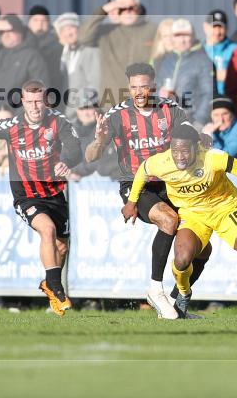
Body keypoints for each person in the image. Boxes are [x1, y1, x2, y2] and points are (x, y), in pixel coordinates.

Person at [125, 124, 237, 320]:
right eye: (175, 150)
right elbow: (142, 172)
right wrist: (131, 202)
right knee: (181, 259)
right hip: (193, 214)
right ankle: (184, 293)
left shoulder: (213, 158)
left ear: (196, 147)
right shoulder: (161, 162)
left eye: (185, 151)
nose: (179, 156)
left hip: (225, 208)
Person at [85, 62, 208, 319]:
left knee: (203, 248)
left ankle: (176, 302)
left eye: (144, 86)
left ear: (153, 85)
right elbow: (90, 157)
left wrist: (202, 137)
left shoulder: (170, 110)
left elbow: (191, 137)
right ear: (128, 88)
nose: (139, 92)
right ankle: (155, 289)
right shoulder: (117, 116)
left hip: (171, 183)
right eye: (134, 87)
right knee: (168, 219)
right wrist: (98, 139)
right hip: (136, 185)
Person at [0, 80, 82, 316]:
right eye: (30, 101)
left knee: (62, 247)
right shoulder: (12, 125)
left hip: (55, 193)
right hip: (26, 196)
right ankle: (55, 286)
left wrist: (67, 161)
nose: (35, 106)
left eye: (39, 101)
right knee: (47, 230)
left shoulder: (58, 122)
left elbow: (76, 147)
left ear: (45, 101)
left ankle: (50, 286)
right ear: (23, 102)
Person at [79, 0, 158, 99]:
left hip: (145, 100)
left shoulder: (154, 30)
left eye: (131, 8)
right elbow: (83, 37)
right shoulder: (107, 32)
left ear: (139, 8)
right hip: (112, 100)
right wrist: (103, 10)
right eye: (123, 8)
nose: (128, 11)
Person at [0, 14, 49, 110]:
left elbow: (39, 92)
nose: (6, 34)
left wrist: (13, 113)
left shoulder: (32, 56)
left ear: (21, 34)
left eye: (11, 31)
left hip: (15, 116)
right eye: (2, 32)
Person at [154, 19, 213, 126]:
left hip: (191, 120)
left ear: (193, 36)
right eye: (178, 35)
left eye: (186, 35)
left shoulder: (203, 60)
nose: (182, 40)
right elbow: (155, 87)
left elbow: (209, 93)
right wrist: (160, 93)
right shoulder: (166, 59)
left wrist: (199, 122)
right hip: (167, 120)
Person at [54, 12, 100, 117]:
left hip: (84, 113)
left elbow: (95, 84)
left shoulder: (89, 50)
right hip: (68, 112)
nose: (67, 33)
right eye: (63, 30)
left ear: (79, 29)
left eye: (70, 28)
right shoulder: (65, 53)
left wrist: (82, 106)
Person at [201, 95, 237, 161]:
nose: (221, 119)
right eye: (216, 115)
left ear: (233, 114)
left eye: (225, 114)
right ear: (211, 117)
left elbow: (221, 159)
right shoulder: (213, 128)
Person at [202, 10, 237, 95]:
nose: (217, 32)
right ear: (205, 27)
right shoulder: (199, 51)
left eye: (221, 27)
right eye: (214, 27)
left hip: (227, 98)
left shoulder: (235, 50)